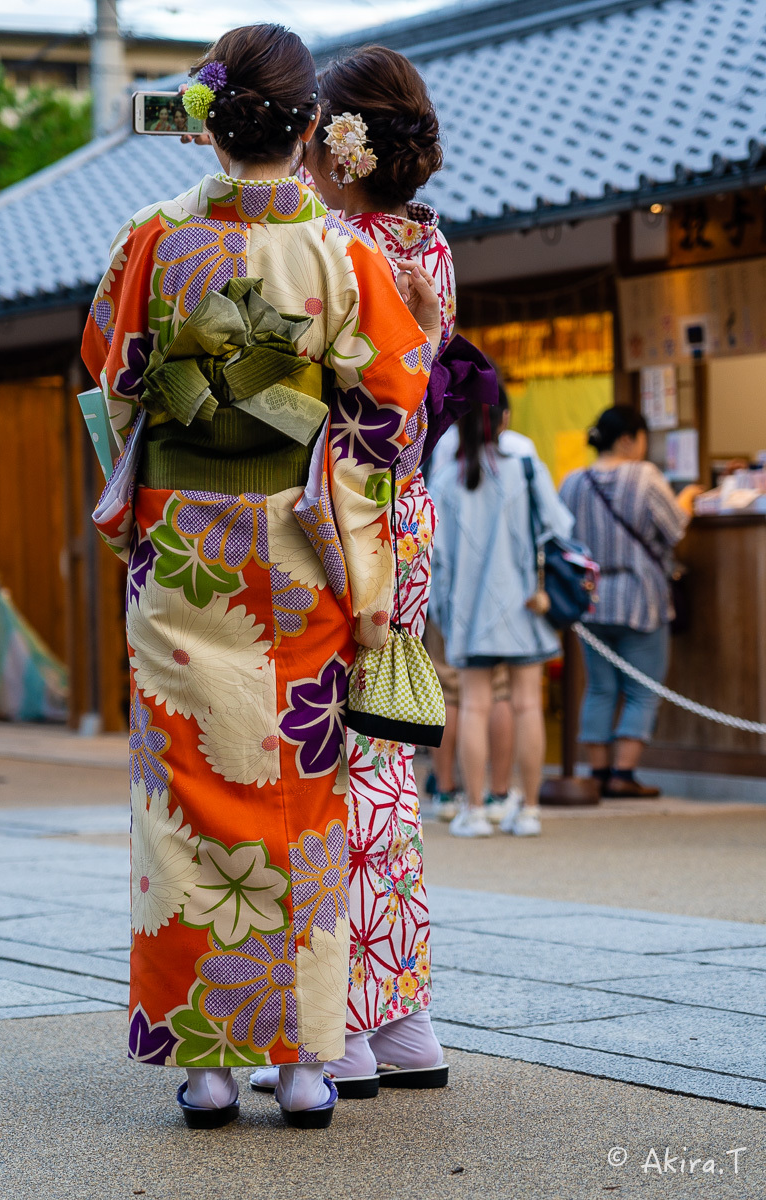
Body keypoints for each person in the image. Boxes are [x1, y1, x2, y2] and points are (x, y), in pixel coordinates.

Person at [82, 23, 439, 1130]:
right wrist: (366, 545)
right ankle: (302, 1063)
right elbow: (390, 400)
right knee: (305, 804)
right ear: (308, 129)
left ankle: (203, 1065)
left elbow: (110, 373)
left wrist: (147, 495)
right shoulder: (342, 256)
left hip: (184, 558)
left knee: (180, 800)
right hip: (298, 554)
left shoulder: (153, 240)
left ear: (213, 118)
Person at [251, 42, 477, 1101]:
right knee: (383, 760)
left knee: (320, 773)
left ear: (334, 146)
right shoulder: (427, 247)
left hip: (325, 519)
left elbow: (292, 395)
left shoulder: (326, 246)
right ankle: (403, 1019)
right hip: (404, 514)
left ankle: (333, 1025)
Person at [429, 393, 574, 837]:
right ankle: (526, 808)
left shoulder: (449, 477)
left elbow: (433, 550)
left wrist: (440, 611)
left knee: (472, 705)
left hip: (468, 615)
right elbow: (560, 527)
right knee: (527, 704)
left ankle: (473, 810)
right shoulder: (527, 468)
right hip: (526, 606)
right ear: (505, 417)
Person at [560, 406, 693, 798]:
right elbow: (674, 528)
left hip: (590, 600)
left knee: (599, 688)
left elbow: (560, 540)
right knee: (642, 689)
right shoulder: (646, 476)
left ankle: (598, 773)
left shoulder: (572, 482)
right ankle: (624, 774)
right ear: (628, 439)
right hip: (640, 599)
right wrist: (687, 498)